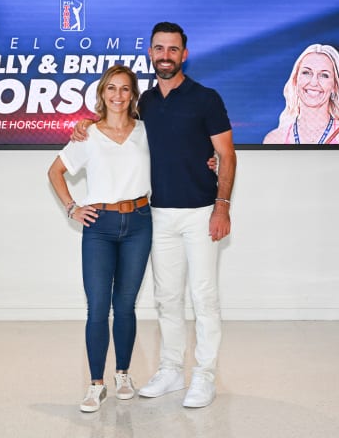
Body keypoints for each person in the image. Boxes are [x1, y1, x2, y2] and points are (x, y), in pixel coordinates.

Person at [73, 22, 236, 408]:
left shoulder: (206, 98)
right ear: (150, 53)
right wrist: (85, 125)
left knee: (204, 297)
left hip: (200, 213)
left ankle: (205, 376)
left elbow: (226, 155)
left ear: (184, 54)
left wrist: (222, 206)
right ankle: (171, 370)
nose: (166, 55)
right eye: (159, 49)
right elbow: (117, 127)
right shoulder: (143, 102)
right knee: (166, 298)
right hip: (157, 215)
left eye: (173, 49)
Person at [48, 64, 152, 413]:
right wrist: (71, 208)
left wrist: (209, 161)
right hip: (99, 228)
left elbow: (177, 157)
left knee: (125, 305)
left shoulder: (146, 131)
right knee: (97, 308)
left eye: (125, 89)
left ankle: (123, 374)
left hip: (139, 222)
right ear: (102, 94)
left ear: (133, 94)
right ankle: (96, 384)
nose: (118, 96)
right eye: (111, 89)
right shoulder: (88, 134)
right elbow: (55, 171)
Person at [263, 44, 339, 145]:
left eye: (324, 75)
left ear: (335, 86)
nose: (313, 82)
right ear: (295, 80)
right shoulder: (274, 140)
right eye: (306, 73)